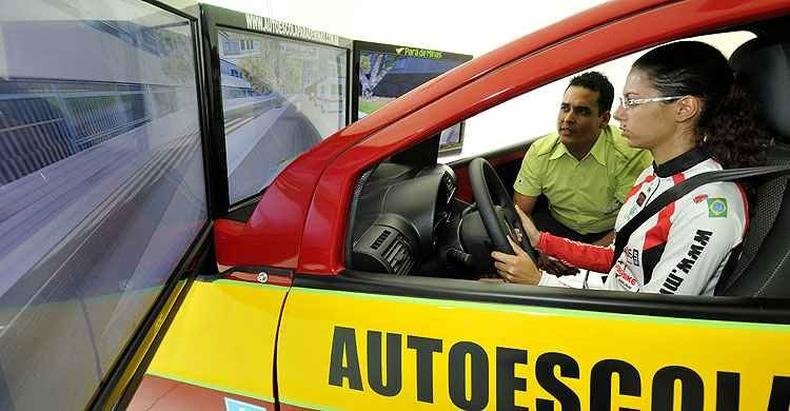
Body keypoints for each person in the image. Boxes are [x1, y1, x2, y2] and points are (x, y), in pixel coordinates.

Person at [492, 41, 772, 295]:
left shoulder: (710, 206)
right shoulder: (654, 173)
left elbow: (652, 316)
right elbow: (620, 260)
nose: (617, 114)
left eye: (633, 101)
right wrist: (541, 241)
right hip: (610, 298)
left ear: (684, 108)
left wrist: (540, 283)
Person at [514, 71, 651, 252]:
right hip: (556, 227)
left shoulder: (629, 155)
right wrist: (541, 248)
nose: (568, 119)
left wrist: (582, 255)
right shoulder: (541, 152)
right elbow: (521, 210)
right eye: (565, 108)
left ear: (603, 119)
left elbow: (635, 221)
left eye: (582, 111)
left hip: (609, 233)